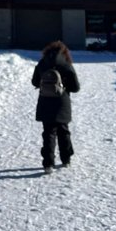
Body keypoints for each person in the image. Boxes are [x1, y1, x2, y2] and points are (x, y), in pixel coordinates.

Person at [31, 40, 80, 173]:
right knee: (63, 130)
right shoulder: (66, 64)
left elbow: (34, 81)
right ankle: (66, 159)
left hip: (45, 102)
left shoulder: (42, 63)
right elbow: (76, 87)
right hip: (62, 102)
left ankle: (48, 164)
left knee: (48, 133)